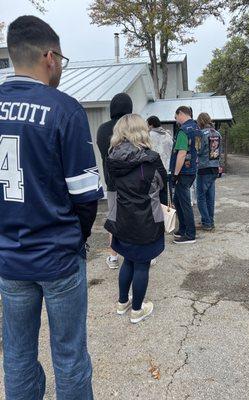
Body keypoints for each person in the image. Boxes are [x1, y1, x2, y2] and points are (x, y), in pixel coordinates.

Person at [0, 16, 103, 399]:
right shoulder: (65, 110)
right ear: (49, 57)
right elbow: (87, 197)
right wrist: (75, 239)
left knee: (17, 355)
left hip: (9, 259)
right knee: (70, 357)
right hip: (58, 255)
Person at [104, 114, 167, 323]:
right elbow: (161, 187)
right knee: (142, 264)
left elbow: (112, 189)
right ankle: (138, 310)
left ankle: (123, 303)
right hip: (147, 220)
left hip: (122, 219)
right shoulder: (151, 158)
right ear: (142, 131)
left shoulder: (111, 159)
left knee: (128, 261)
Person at [97, 93, 133, 269]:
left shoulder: (103, 129)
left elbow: (104, 153)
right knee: (136, 216)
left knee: (113, 217)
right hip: (134, 184)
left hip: (112, 182)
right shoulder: (133, 128)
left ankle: (113, 256)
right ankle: (138, 253)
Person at [170, 106, 200, 244]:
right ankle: (182, 229)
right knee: (178, 200)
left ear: (181, 114)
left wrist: (175, 174)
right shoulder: (197, 129)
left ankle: (190, 234)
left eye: (176, 118)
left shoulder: (183, 131)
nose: (176, 121)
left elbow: (181, 154)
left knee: (184, 203)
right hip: (192, 170)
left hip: (183, 172)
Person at [196, 112, 222, 231]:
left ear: (200, 121)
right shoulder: (218, 134)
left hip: (203, 168)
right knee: (210, 196)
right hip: (214, 168)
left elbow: (198, 151)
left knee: (201, 196)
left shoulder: (200, 134)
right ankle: (210, 221)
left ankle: (206, 222)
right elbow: (219, 151)